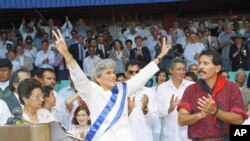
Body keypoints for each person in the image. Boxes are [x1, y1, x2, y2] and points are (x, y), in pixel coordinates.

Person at [52, 29, 171, 141]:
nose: (113, 75)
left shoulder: (123, 88)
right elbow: (78, 75)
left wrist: (160, 56)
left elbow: (142, 75)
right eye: (108, 73)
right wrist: (66, 53)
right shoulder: (91, 90)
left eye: (113, 72)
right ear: (98, 78)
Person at [177, 50, 248, 141]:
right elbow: (181, 120)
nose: (201, 66)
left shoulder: (231, 88)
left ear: (217, 68)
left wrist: (214, 111)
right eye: (200, 63)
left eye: (206, 63)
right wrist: (200, 115)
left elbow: (239, 119)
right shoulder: (191, 89)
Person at [157, 57, 194, 141]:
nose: (182, 72)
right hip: (168, 136)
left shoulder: (192, 86)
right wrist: (169, 109)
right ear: (171, 70)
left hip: (187, 136)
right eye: (179, 69)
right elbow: (157, 112)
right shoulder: (161, 88)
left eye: (184, 69)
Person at [150, 69, 169, 141]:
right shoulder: (150, 90)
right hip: (153, 123)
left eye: (164, 76)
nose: (161, 77)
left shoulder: (169, 91)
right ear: (156, 77)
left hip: (166, 123)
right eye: (159, 75)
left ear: (167, 78)